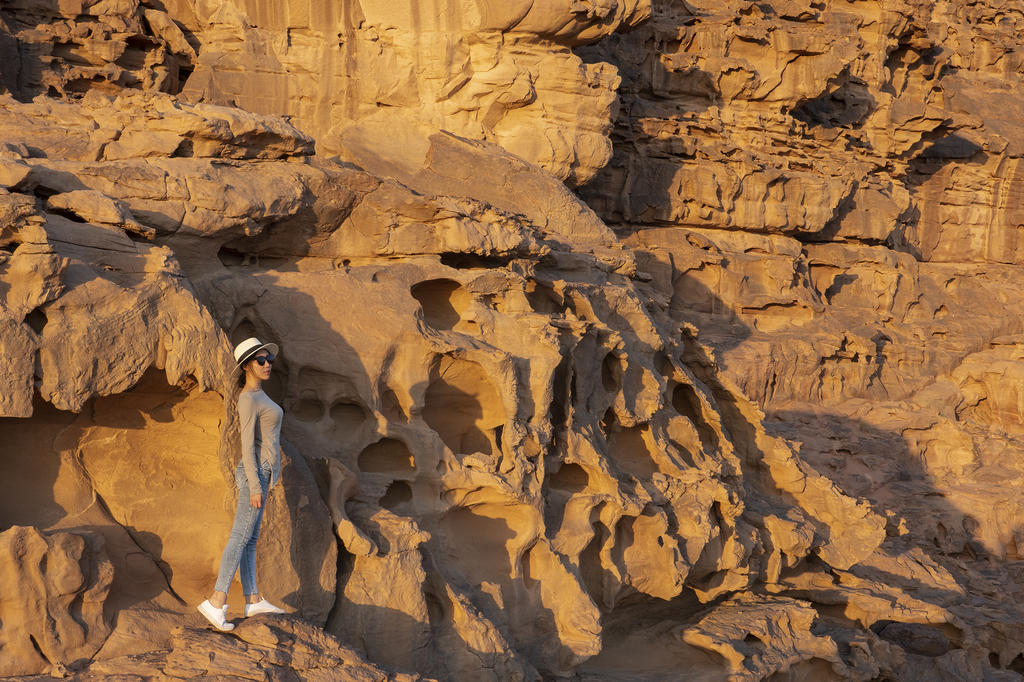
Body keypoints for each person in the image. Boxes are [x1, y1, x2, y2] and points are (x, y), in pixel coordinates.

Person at [197, 337, 286, 631]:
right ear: (247, 366)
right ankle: (216, 601)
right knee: (240, 536)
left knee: (250, 540)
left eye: (269, 360)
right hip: (253, 473)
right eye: (260, 361)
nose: (266, 365)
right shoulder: (248, 398)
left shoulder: (260, 395)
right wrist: (257, 485)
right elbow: (246, 446)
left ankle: (253, 599)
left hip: (262, 473)